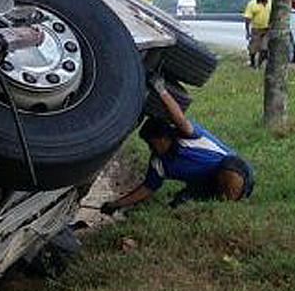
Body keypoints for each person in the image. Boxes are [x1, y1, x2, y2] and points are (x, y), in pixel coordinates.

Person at [101, 78, 255, 212]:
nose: (152, 147)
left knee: (229, 165)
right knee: (180, 202)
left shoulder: (189, 136)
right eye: (149, 144)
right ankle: (214, 203)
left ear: (165, 137)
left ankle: (229, 204)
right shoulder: (158, 163)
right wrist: (116, 204)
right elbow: (146, 189)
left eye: (154, 143)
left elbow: (179, 119)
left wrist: (161, 90)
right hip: (207, 185)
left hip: (237, 174)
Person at [243, 0, 271, 68]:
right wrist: (248, 32)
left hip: (267, 29)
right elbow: (247, 19)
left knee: (264, 48)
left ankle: (259, 64)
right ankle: (252, 63)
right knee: (253, 48)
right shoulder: (252, 4)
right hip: (256, 29)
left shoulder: (270, 2)